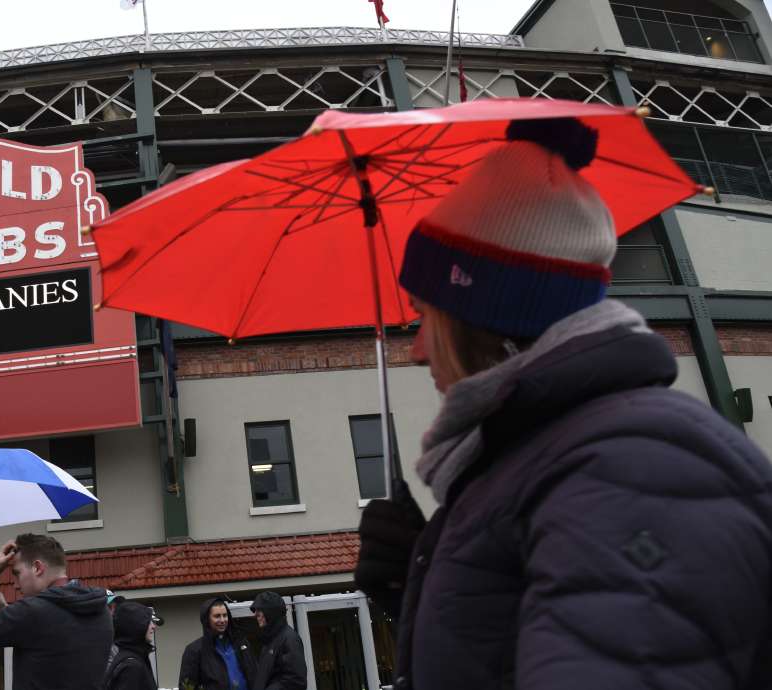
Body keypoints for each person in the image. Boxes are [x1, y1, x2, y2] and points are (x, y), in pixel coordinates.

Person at [353, 117, 772, 689]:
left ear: (489, 318)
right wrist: (423, 587)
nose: (417, 353)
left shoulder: (630, 471)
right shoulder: (545, 461)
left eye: (427, 318)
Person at [0, 533, 112, 690]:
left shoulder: (32, 612)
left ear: (37, 568)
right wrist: (7, 611)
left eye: (17, 573)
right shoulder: (101, 610)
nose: (15, 585)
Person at [178, 597, 255, 690]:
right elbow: (186, 687)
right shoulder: (194, 651)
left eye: (225, 615)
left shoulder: (241, 644)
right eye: (217, 616)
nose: (222, 620)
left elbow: (255, 675)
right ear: (207, 619)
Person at [249, 592, 305, 690]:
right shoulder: (270, 640)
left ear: (270, 612)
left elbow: (295, 681)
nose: (255, 614)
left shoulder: (289, 639)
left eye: (259, 610)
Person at [104, 601, 158, 690]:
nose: (153, 626)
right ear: (135, 626)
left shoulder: (131, 658)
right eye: (148, 622)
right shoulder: (131, 666)